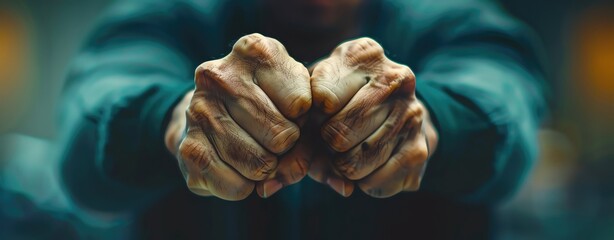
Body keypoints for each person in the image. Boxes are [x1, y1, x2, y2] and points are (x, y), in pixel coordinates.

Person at [59, 0, 547, 238]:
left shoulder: (455, 23)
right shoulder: (165, 18)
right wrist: (172, 120)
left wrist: (431, 123)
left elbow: (503, 111)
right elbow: (85, 142)